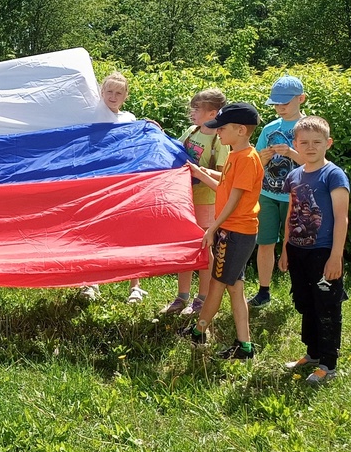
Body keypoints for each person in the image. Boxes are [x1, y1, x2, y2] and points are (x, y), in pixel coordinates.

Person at [180, 103, 263, 359]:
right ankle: (245, 345)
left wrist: (213, 228)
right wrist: (199, 172)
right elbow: (225, 189)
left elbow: (234, 200)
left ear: (240, 130)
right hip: (234, 231)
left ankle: (198, 332)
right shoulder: (236, 155)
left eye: (222, 128)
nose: (218, 133)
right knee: (235, 288)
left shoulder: (247, 159)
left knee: (217, 284)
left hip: (234, 233)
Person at [278, 116, 350, 384]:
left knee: (326, 307)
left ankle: (328, 364)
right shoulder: (294, 175)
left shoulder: (334, 175)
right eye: (304, 142)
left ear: (327, 143)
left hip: (323, 251)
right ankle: (313, 353)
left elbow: (341, 217)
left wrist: (335, 256)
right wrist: (285, 249)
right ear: (295, 144)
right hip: (297, 250)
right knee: (305, 302)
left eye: (317, 142)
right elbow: (290, 215)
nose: (310, 147)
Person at [163, 89, 235, 316]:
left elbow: (224, 179)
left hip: (208, 202)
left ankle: (202, 298)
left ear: (212, 112)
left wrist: (200, 173)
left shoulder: (220, 141)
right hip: (185, 199)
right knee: (185, 246)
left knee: (204, 249)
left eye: (196, 109)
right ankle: (181, 296)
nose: (191, 113)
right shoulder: (191, 131)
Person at [80, 72, 148, 303]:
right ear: (101, 92)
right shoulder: (92, 114)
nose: (113, 96)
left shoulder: (130, 119)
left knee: (130, 231)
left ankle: (135, 286)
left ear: (126, 96)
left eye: (119, 92)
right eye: (109, 91)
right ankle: (92, 282)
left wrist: (148, 127)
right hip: (97, 181)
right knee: (94, 231)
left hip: (124, 182)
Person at [249, 75, 306, 309]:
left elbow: (317, 163)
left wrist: (291, 153)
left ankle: (301, 291)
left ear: (301, 99)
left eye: (285, 103)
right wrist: (261, 159)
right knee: (265, 243)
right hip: (268, 194)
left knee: (297, 244)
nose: (280, 108)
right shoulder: (270, 128)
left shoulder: (309, 127)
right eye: (276, 104)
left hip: (297, 196)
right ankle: (264, 291)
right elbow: (256, 162)